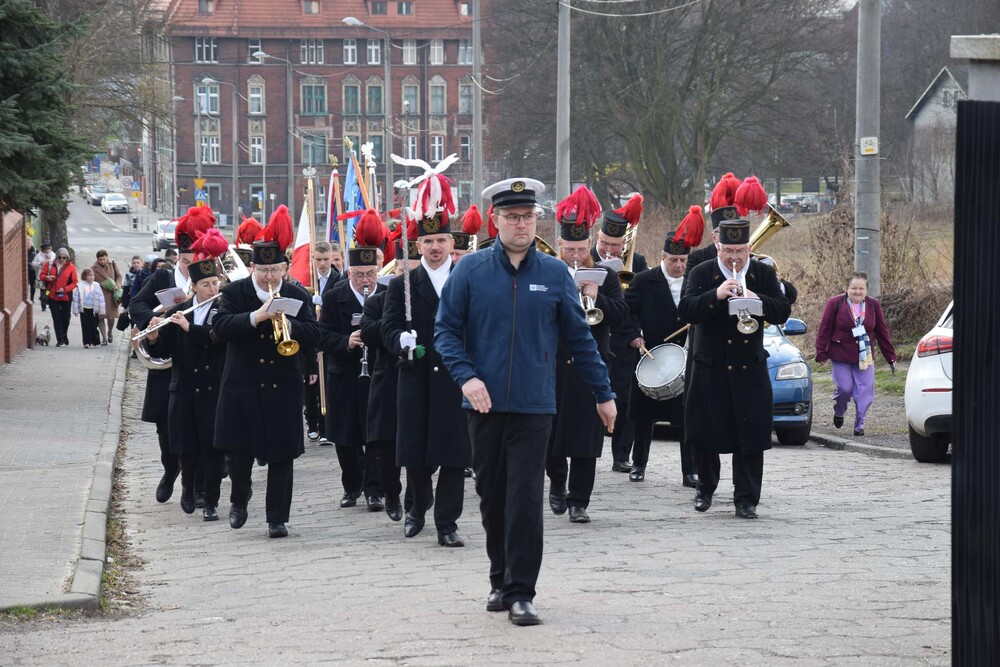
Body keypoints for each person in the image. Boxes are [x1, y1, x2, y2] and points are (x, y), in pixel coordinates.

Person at [436, 177, 617, 626]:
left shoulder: (555, 273)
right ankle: (499, 577)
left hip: (536, 405)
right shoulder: (471, 271)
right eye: (513, 216)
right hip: (484, 405)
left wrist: (603, 393)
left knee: (524, 496)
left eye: (529, 216)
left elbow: (580, 337)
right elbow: (445, 332)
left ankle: (521, 591)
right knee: (491, 495)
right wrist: (467, 378)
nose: (521, 224)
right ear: (495, 219)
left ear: (538, 220)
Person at [212, 207, 320, 537]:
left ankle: (277, 518)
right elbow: (219, 327)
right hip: (242, 385)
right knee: (240, 451)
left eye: (275, 269)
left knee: (281, 456)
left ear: (285, 268)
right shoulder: (235, 293)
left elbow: (315, 335)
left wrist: (293, 326)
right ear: (253, 267)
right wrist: (255, 317)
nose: (269, 276)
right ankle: (239, 499)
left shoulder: (297, 294)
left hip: (283, 387)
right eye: (263, 270)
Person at [678, 218, 790, 520]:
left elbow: (783, 309)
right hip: (710, 367)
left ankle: (747, 498)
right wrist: (716, 295)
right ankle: (706, 488)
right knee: (705, 433)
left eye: (740, 250)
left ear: (749, 248)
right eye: (728, 250)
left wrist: (758, 299)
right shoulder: (702, 271)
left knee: (750, 434)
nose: (734, 257)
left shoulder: (762, 272)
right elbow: (685, 309)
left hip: (748, 367)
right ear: (718, 246)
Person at [383, 171, 472, 547]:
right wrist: (399, 340)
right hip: (415, 378)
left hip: (454, 380)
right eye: (428, 241)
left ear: (452, 243)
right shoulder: (402, 284)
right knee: (416, 455)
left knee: (454, 456)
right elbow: (386, 329)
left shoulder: (467, 281)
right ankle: (417, 507)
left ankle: (447, 524)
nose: (435, 247)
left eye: (441, 240)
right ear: (417, 245)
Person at [546, 186, 627, 524]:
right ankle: (556, 483)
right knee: (550, 434)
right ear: (560, 246)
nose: (576, 255)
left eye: (581, 249)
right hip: (552, 366)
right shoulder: (548, 273)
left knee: (585, 437)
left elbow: (622, 316)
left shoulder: (605, 275)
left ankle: (580, 500)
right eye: (570, 249)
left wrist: (598, 297)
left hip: (590, 365)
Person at [131, 208, 217, 504]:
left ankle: (200, 485)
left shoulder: (212, 281)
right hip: (168, 364)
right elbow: (137, 305)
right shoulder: (162, 277)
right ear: (178, 257)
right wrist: (153, 322)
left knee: (202, 426)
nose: (191, 264)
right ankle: (171, 470)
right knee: (166, 429)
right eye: (185, 260)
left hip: (201, 362)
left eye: (197, 260)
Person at [144, 230, 229, 520]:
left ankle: (209, 496)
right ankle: (188, 488)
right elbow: (164, 350)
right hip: (183, 388)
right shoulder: (180, 310)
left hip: (213, 388)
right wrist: (154, 336)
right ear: (194, 286)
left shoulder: (222, 311)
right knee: (187, 446)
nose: (211, 289)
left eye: (214, 283)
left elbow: (218, 338)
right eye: (205, 284)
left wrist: (189, 329)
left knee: (212, 446)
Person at [623, 213, 702, 486]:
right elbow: (626, 313)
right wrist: (634, 336)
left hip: (686, 356)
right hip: (652, 356)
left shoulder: (695, 278)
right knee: (644, 418)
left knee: (686, 418)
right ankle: (638, 464)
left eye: (683, 260)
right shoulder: (645, 280)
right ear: (663, 257)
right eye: (673, 260)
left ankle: (690, 470)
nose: (679, 265)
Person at [320, 244, 387, 511]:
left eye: (370, 274)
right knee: (345, 436)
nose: (365, 280)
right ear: (349, 272)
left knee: (375, 434)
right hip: (344, 375)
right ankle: (351, 486)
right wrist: (346, 341)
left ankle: (375, 489)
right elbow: (322, 335)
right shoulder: (335, 297)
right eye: (359, 274)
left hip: (378, 373)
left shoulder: (386, 295)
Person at [363, 240, 419, 524]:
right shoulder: (377, 301)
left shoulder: (427, 297)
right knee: (385, 444)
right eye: (401, 270)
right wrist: (394, 328)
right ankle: (391, 493)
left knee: (417, 444)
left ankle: (414, 499)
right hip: (388, 378)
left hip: (419, 379)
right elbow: (369, 331)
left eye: (412, 270)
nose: (405, 275)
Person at [590, 195, 648, 474]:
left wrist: (636, 334)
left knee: (626, 398)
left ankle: (621, 455)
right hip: (595, 336)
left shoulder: (636, 260)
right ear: (598, 238)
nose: (611, 250)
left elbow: (637, 305)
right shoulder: (585, 258)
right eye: (605, 244)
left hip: (624, 338)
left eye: (616, 245)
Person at [815, 272, 896, 437]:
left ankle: (860, 424)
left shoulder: (874, 305)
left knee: (865, 392)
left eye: (861, 288)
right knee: (845, 389)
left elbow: (882, 332)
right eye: (854, 288)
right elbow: (824, 328)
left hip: (865, 356)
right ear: (847, 289)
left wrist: (890, 356)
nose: (857, 292)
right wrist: (821, 352)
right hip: (841, 354)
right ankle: (839, 411)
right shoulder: (835, 303)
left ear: (866, 289)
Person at [303, 241, 340, 444]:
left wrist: (324, 303)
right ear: (313, 259)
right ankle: (312, 422)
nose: (323, 264)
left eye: (326, 259)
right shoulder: (307, 278)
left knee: (326, 382)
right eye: (318, 259)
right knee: (311, 381)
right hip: (310, 336)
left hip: (326, 335)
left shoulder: (337, 278)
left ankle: (326, 426)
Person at [40, 248, 77, 347]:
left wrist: (65, 289)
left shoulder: (71, 267)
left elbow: (74, 282)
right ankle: (60, 339)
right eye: (60, 257)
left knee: (66, 318)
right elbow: (42, 275)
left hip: (66, 295)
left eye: (64, 257)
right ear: (56, 257)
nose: (62, 259)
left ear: (67, 258)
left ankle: (64, 335)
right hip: (52, 295)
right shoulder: (49, 264)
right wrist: (47, 278)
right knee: (56, 318)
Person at [91, 249, 123, 346]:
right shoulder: (93, 268)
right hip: (100, 295)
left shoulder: (113, 264)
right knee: (100, 318)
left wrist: (117, 285)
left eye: (104, 259)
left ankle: (110, 332)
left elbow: (119, 276)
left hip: (112, 294)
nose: (103, 261)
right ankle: (104, 338)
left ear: (107, 257)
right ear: (97, 259)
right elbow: (90, 281)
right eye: (100, 260)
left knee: (111, 317)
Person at [73, 267, 105, 349]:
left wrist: (102, 310)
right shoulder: (80, 286)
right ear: (84, 277)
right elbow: (76, 298)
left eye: (92, 275)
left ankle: (95, 340)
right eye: (89, 275)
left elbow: (101, 298)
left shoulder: (96, 285)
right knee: (85, 325)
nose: (91, 277)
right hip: (84, 309)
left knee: (93, 325)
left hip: (94, 309)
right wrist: (75, 309)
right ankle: (87, 342)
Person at [32, 243, 55, 312]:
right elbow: (33, 264)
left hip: (50, 275)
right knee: (42, 290)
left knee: (48, 290)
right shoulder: (39, 255)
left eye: (49, 249)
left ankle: (48, 301)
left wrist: (50, 262)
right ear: (42, 249)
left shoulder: (53, 255)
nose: (47, 251)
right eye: (46, 249)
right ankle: (43, 305)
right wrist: (40, 263)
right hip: (41, 276)